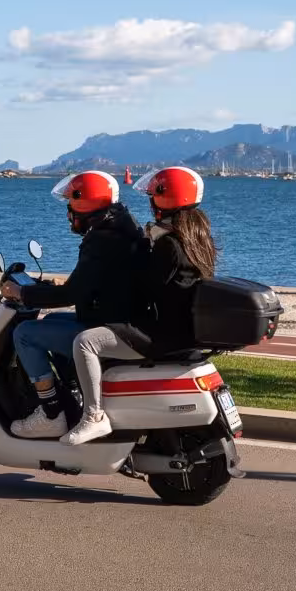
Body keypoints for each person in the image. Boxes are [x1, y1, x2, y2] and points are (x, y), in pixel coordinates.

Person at [60, 165, 218, 445]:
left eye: (152, 196)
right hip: (182, 330)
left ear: (164, 197)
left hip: (161, 334)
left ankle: (93, 416)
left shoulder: (170, 244)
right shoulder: (197, 235)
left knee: (86, 342)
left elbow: (145, 286)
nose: (149, 201)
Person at [0, 170, 145, 439]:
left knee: (26, 335)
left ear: (83, 201)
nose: (68, 211)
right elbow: (96, 280)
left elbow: (73, 295)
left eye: (70, 203)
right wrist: (53, 289)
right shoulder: (121, 227)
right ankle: (73, 392)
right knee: (51, 323)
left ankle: (52, 413)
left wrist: (22, 293)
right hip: (117, 316)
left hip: (112, 325)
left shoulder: (102, 238)